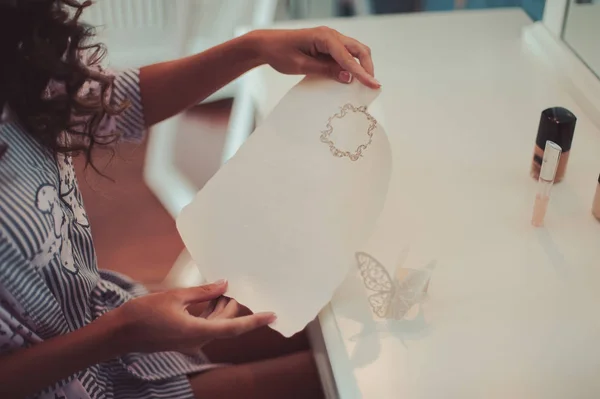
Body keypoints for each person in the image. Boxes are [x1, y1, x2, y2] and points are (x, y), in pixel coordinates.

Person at [0, 0, 379, 398]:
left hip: (108, 321)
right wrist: (121, 333)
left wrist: (253, 49)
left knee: (342, 321)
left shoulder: (15, 64)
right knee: (346, 379)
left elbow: (100, 103)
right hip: (78, 377)